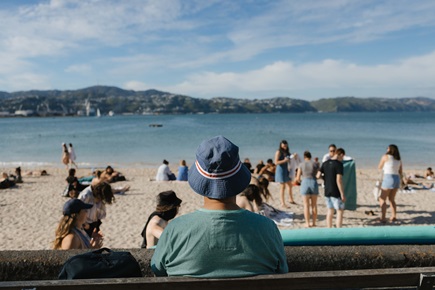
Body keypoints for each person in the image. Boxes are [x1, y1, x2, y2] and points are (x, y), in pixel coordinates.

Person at [151, 135, 288, 278]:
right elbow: (282, 270)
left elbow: (158, 269)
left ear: (200, 182)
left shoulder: (175, 229)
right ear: (238, 180)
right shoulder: (267, 228)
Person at [317, 148, 346, 228]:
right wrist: (342, 193)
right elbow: (338, 180)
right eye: (343, 157)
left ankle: (329, 228)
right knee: (339, 211)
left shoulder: (325, 163)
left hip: (327, 190)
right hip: (336, 191)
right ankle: (338, 230)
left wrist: (326, 179)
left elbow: (318, 175)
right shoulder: (339, 164)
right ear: (341, 155)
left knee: (330, 210)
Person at [378, 144, 403, 223]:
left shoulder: (385, 157)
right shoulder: (398, 159)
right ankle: (394, 216)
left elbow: (379, 167)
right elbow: (400, 171)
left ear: (390, 149)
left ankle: (383, 217)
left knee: (382, 199)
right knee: (392, 199)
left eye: (387, 148)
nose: (386, 149)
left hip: (388, 178)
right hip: (396, 178)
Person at [295, 151, 319, 227]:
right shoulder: (315, 164)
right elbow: (318, 175)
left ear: (304, 157)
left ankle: (307, 223)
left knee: (306, 205)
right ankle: (314, 222)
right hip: (313, 182)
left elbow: (298, 178)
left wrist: (298, 181)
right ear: (310, 156)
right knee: (314, 205)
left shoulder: (301, 164)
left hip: (305, 182)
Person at [274, 140, 295, 208]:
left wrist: (294, 156)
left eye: (286, 145)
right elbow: (276, 162)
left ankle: (291, 199)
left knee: (290, 185)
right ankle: (283, 203)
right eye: (283, 146)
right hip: (281, 170)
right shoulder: (278, 152)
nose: (285, 147)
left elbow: (290, 158)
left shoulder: (287, 152)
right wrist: (284, 160)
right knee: (282, 187)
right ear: (281, 145)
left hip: (286, 170)